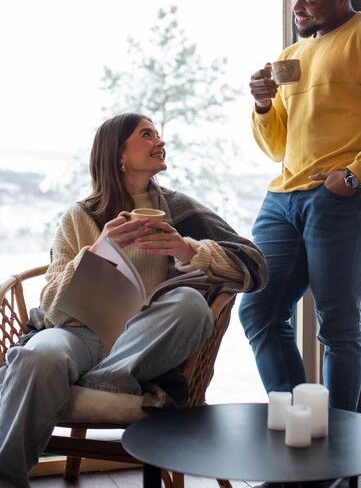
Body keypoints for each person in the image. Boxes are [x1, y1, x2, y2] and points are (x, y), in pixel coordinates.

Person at [0, 112, 268, 488]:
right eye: (147, 135)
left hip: (145, 338)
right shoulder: (79, 216)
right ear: (119, 154)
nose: (160, 142)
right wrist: (95, 251)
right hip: (79, 334)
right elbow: (51, 301)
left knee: (189, 306)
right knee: (38, 354)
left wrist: (189, 249)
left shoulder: (181, 210)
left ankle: (93, 380)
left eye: (158, 134)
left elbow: (254, 265)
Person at [239, 0, 361, 413]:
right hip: (283, 199)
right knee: (259, 309)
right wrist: (262, 105)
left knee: (337, 325)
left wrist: (358, 174)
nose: (298, 7)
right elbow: (279, 145)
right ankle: (304, 430)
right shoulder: (291, 56)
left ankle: (341, 455)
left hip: (344, 195)